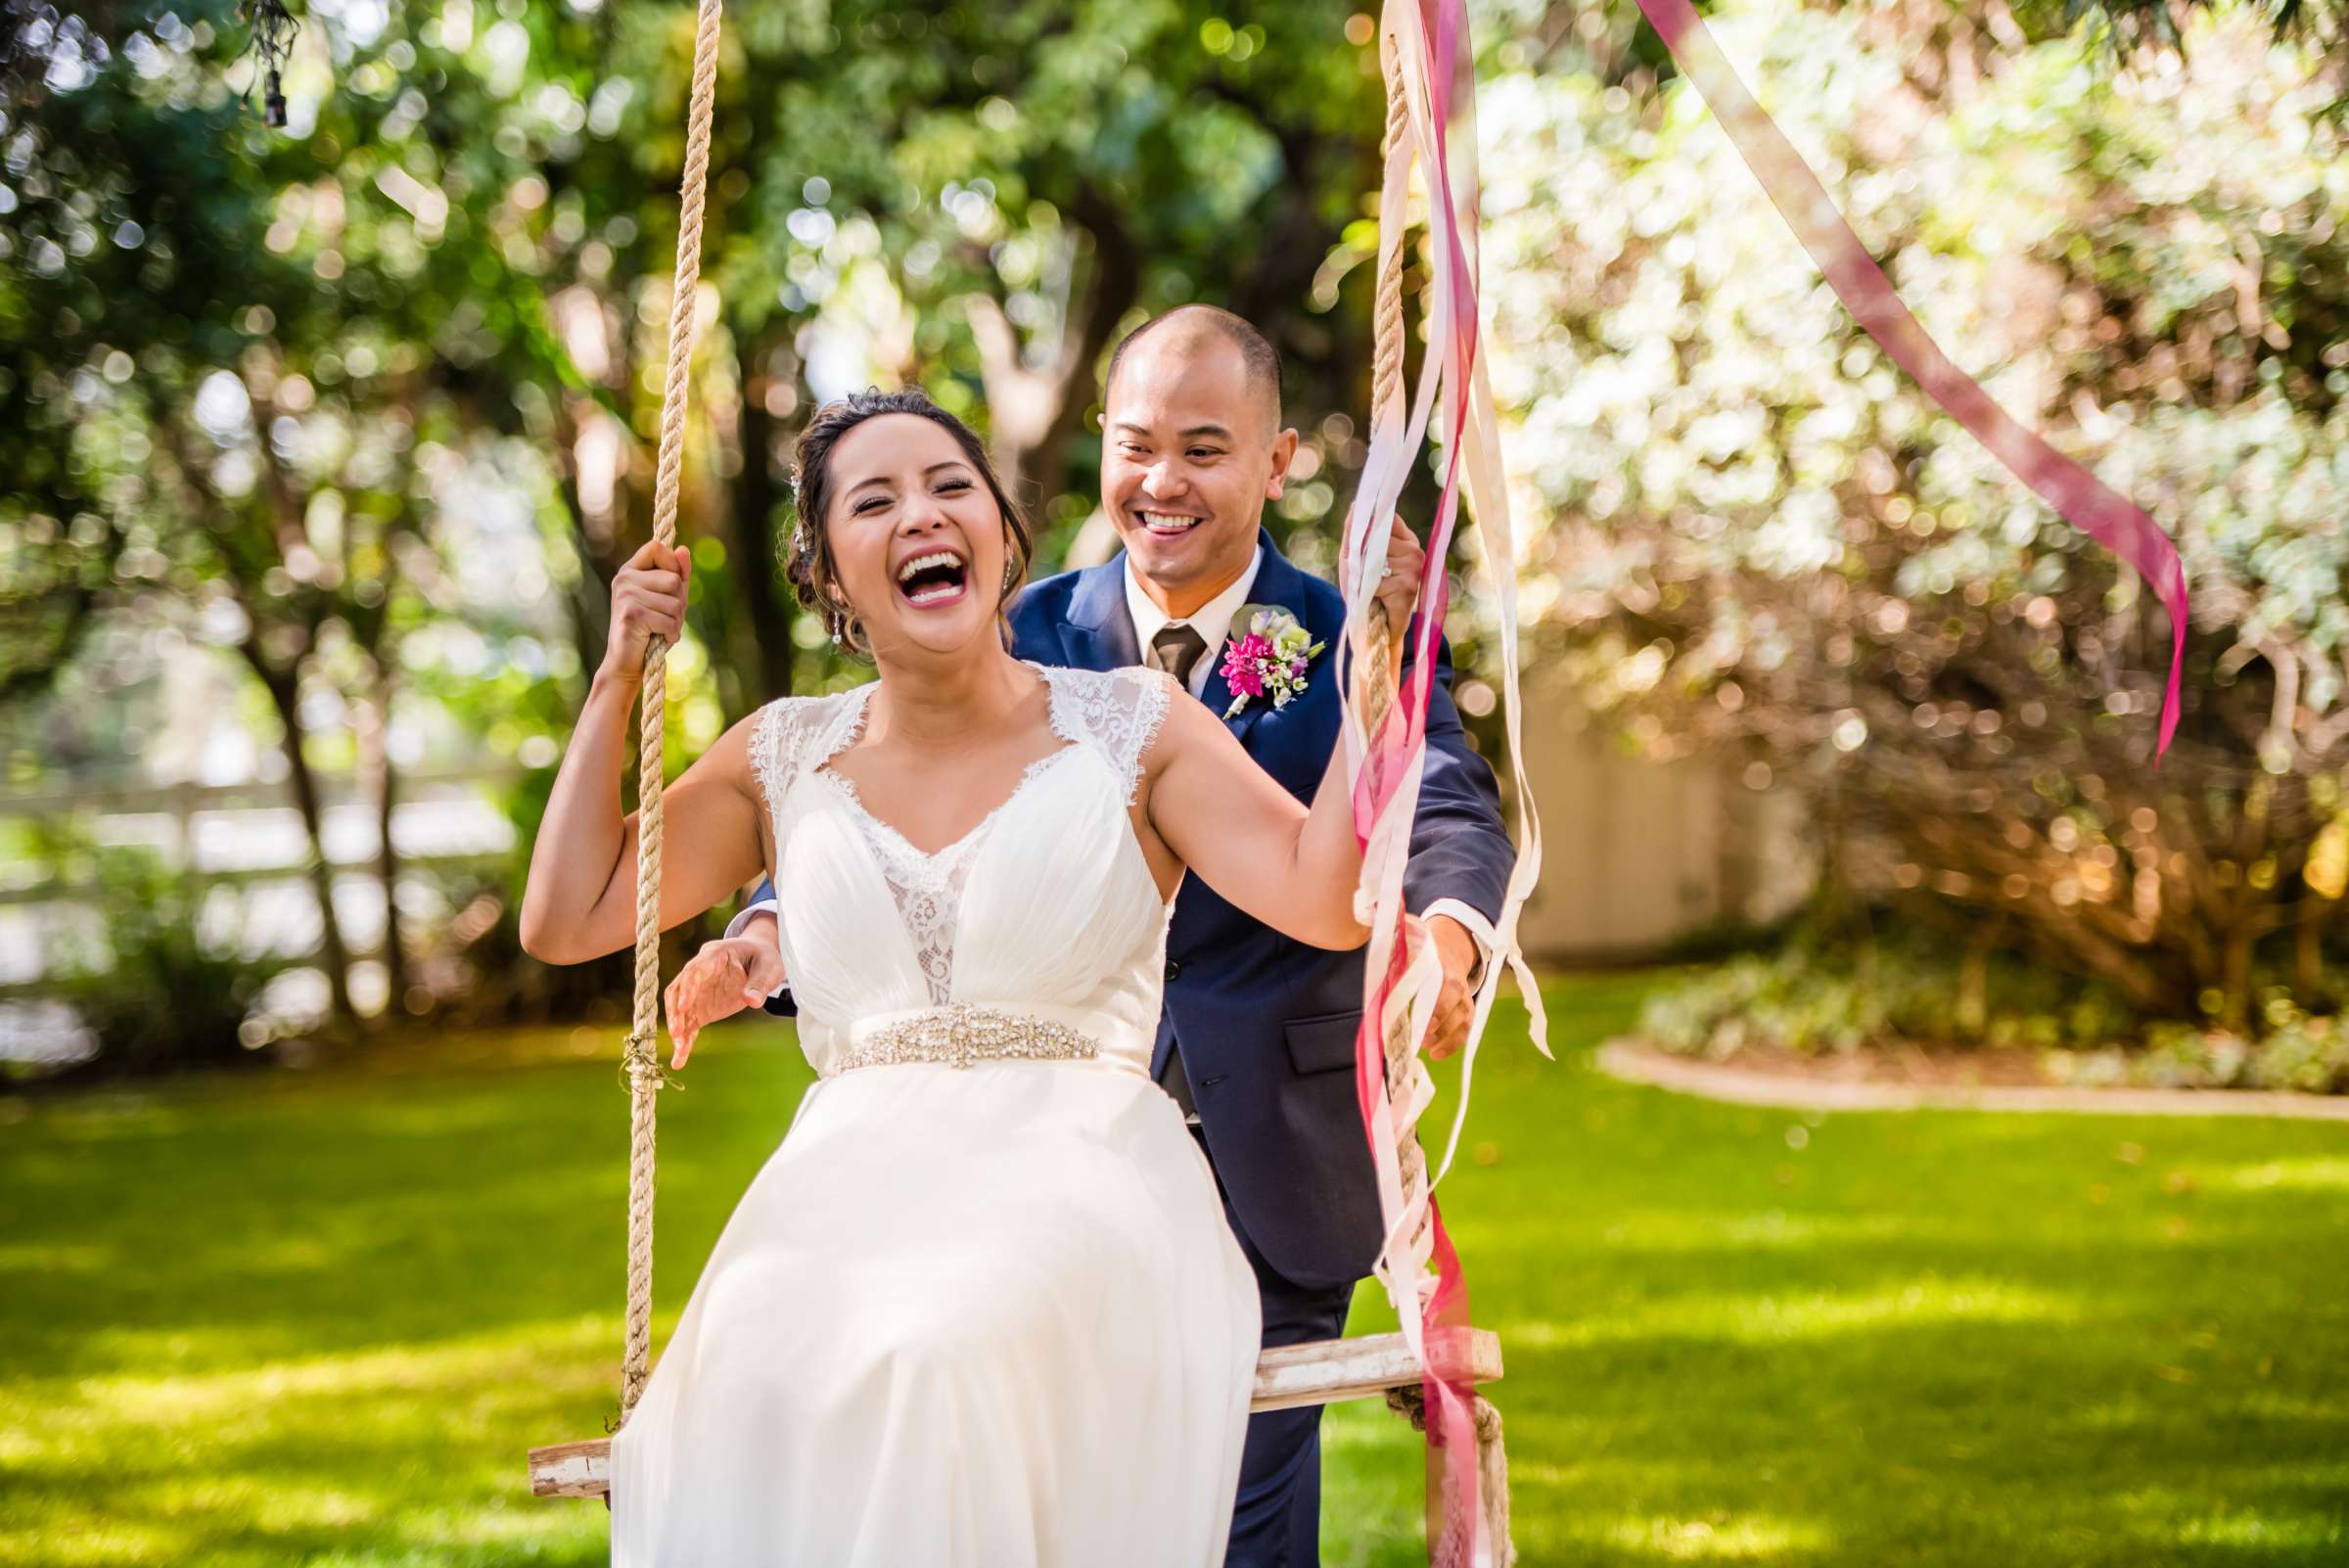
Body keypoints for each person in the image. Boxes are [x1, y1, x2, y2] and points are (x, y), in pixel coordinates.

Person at [520, 385, 1424, 1567]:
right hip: (842, 1192)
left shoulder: (1133, 727)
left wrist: (1376, 659)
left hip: (1081, 1169)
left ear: (1003, 535)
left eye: (950, 488)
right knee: (746, 1357)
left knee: (941, 1349)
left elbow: (1321, 894)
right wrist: (617, 677)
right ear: (830, 576)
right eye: (874, 501)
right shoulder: (780, 755)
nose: (920, 518)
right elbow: (570, 914)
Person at [701, 307, 1516, 1568]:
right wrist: (764, 929)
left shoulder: (1348, 627)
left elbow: (1443, 794)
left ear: (1277, 458)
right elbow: (872, 805)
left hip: (1269, 1147)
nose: (1163, 483)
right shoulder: (1009, 627)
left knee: (1236, 1522)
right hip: (1021, 1174)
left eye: (1205, 448)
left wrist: (1445, 947)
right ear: (1100, 446)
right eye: (1137, 446)